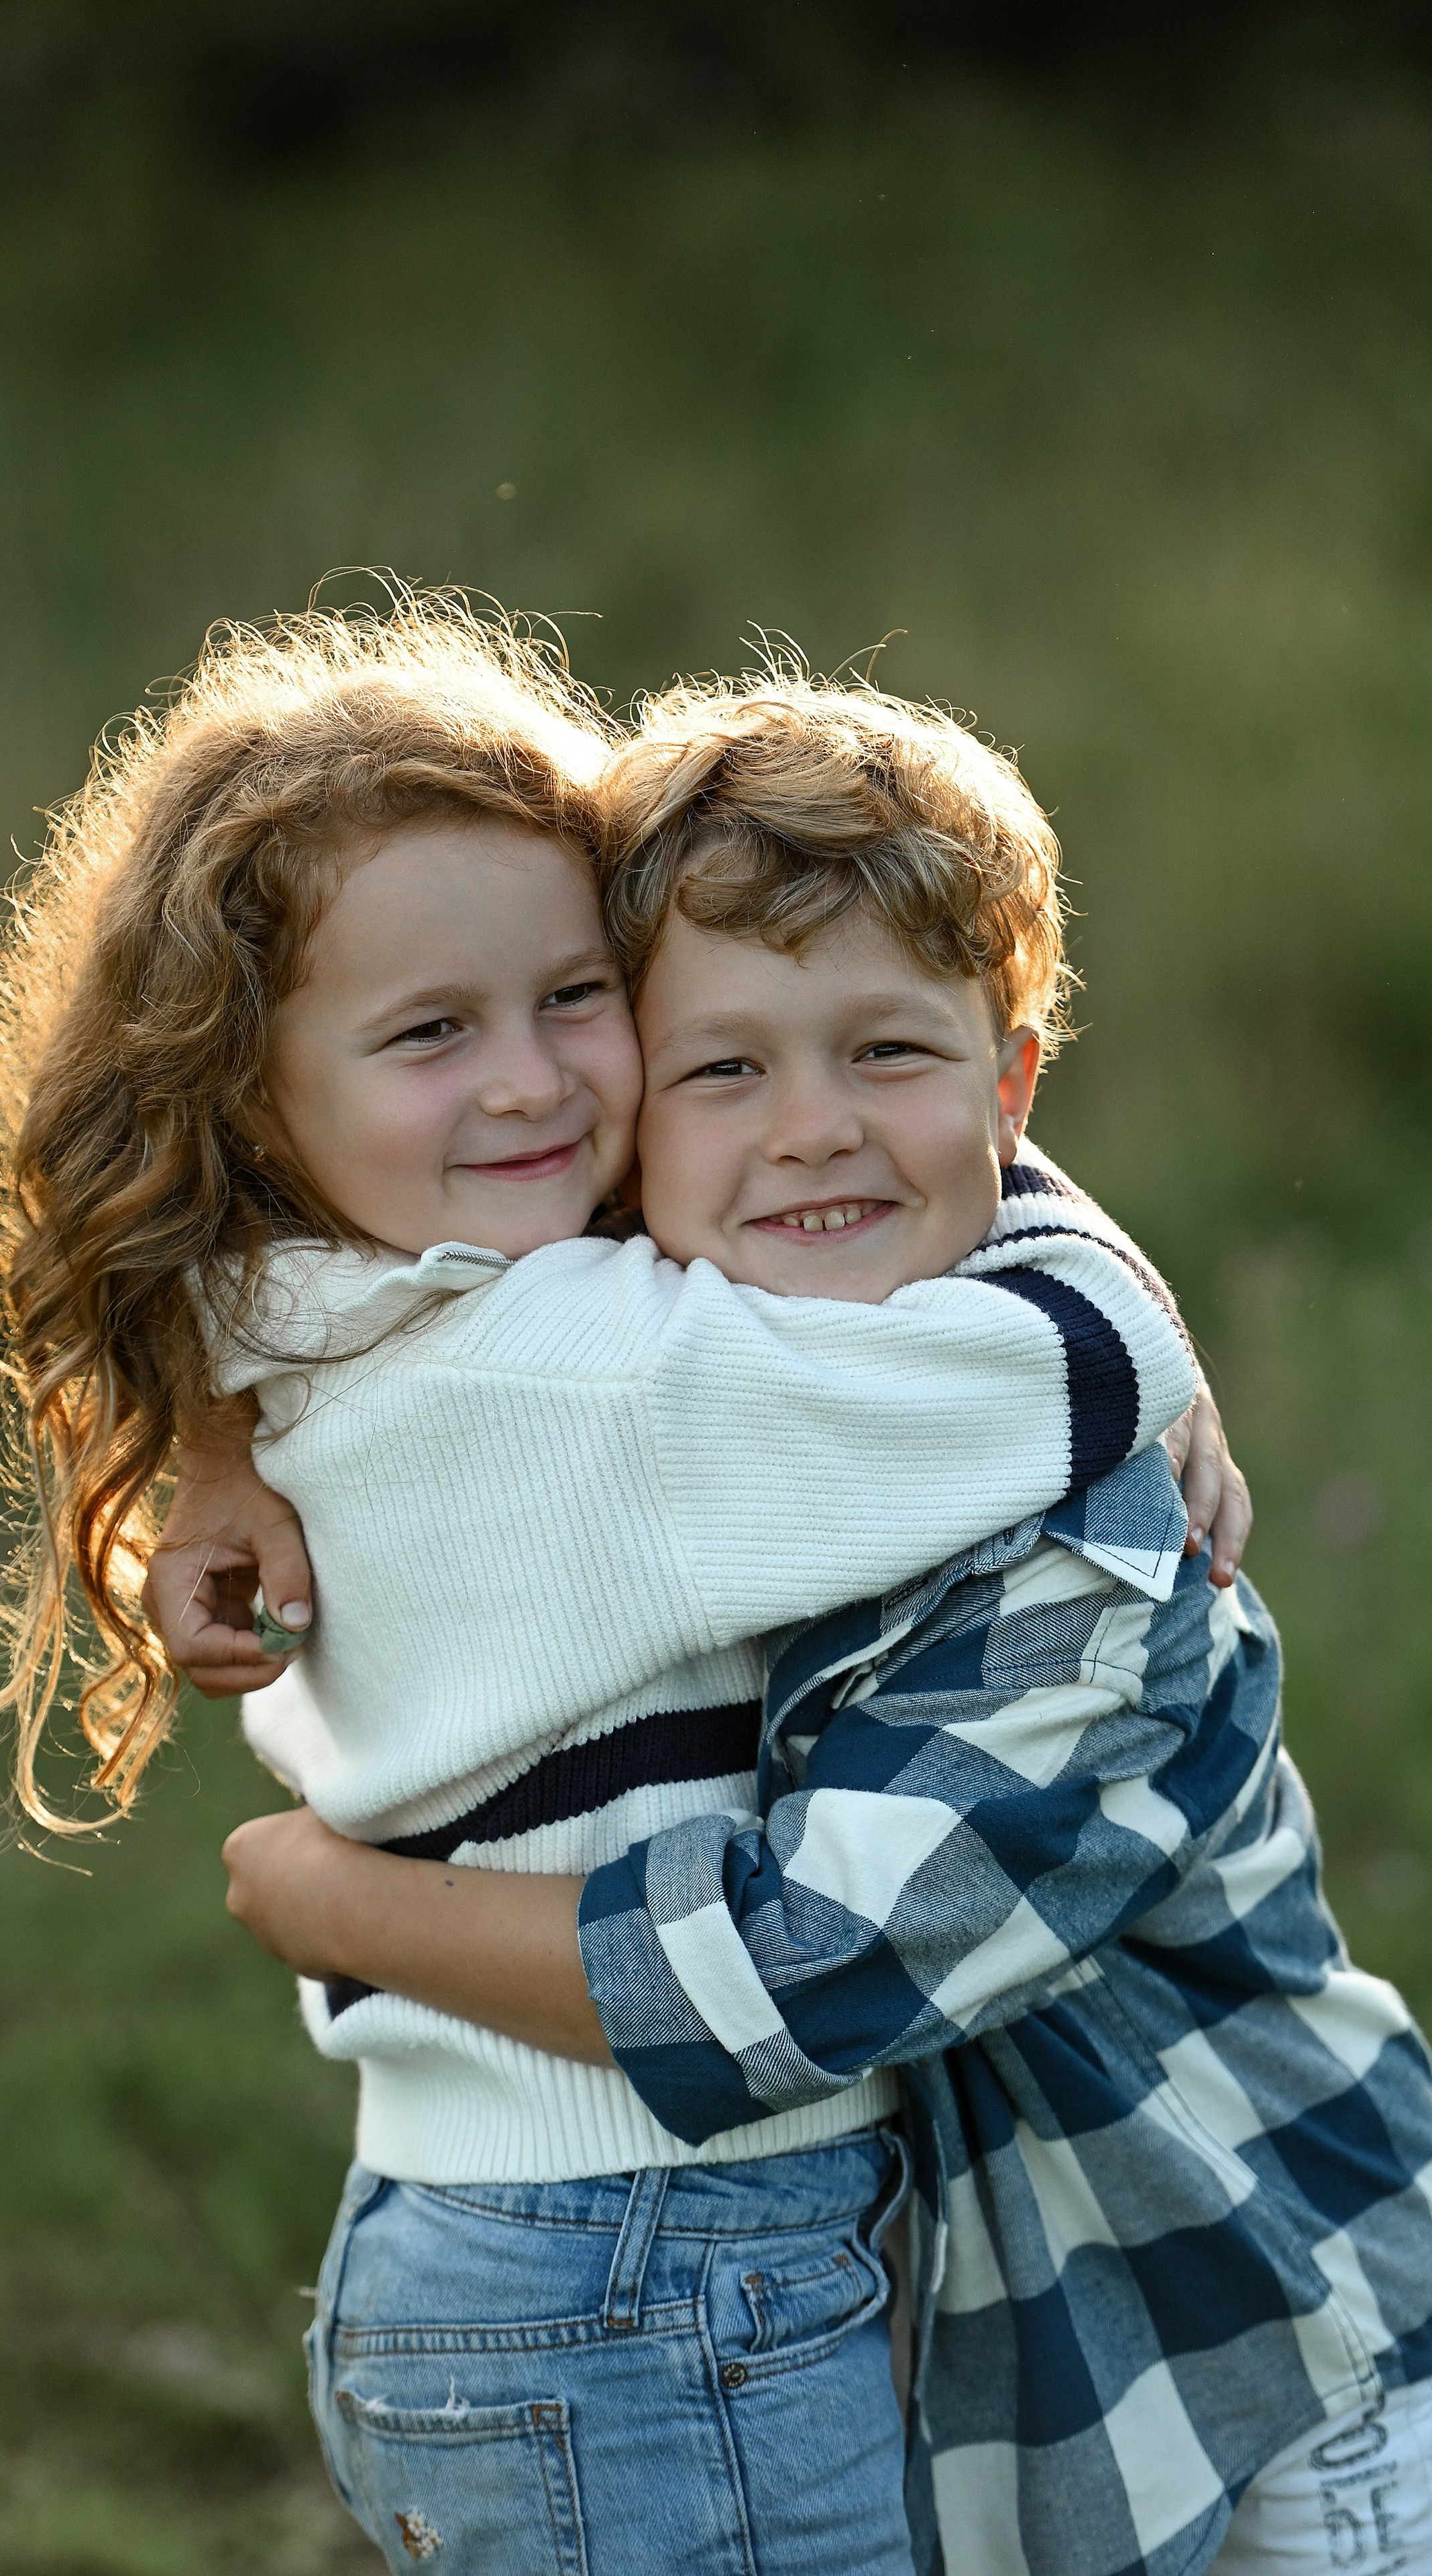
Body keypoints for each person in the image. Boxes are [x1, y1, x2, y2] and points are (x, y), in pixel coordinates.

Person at [217, 678, 1432, 2576]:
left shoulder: (1080, 1569)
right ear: (637, 1102)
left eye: (887, 1053)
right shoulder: (719, 1349)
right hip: (976, 2312)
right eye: (722, 1071)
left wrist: (323, 1897)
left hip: (1268, 2315)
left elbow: (811, 1974)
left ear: (1014, 1084)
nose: (808, 1134)